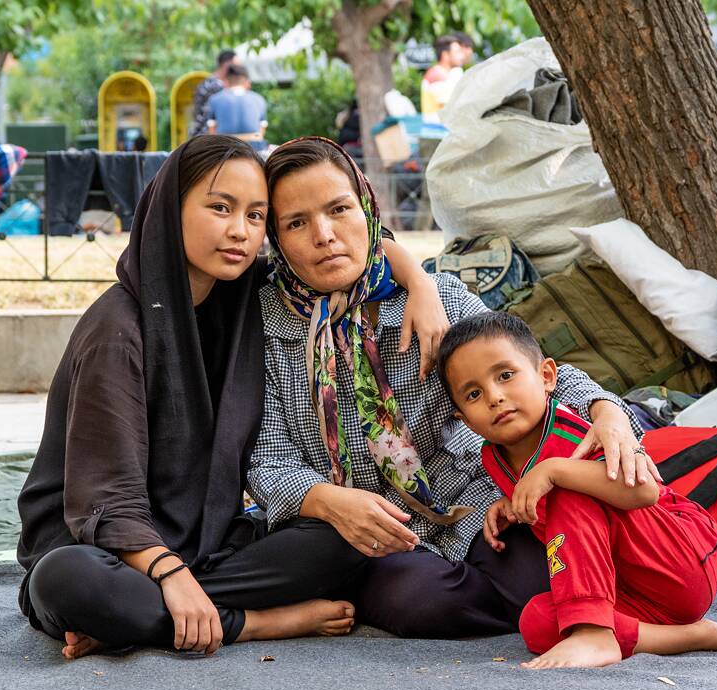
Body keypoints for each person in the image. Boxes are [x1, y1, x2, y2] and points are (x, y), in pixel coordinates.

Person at [16, 135, 447, 660]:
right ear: (169, 209)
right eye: (220, 208)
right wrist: (170, 575)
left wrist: (420, 284)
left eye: (256, 215)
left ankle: (141, 620)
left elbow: (349, 251)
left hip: (208, 544)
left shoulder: (239, 291)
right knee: (69, 583)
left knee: (342, 539)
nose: (239, 231)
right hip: (104, 548)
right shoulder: (118, 333)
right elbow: (106, 501)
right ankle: (252, 623)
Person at [248, 136, 659, 639]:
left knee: (536, 572)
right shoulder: (263, 325)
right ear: (276, 239)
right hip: (350, 527)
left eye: (339, 209)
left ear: (369, 211)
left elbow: (523, 369)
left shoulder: (435, 296)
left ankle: (544, 605)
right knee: (418, 600)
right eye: (296, 222)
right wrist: (328, 500)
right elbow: (267, 456)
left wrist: (607, 410)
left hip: (470, 502)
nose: (325, 235)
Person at [436, 311, 717, 668]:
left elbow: (644, 493)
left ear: (546, 377)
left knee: (568, 488)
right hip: (627, 590)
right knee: (537, 621)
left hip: (675, 558)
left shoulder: (576, 436)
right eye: (474, 393)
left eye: (506, 375)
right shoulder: (493, 456)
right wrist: (514, 503)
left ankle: (594, 632)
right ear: (465, 420)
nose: (494, 396)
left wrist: (555, 469)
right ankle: (697, 636)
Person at [421, 35, 469, 123]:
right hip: (437, 128)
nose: (461, 56)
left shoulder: (446, 73)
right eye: (457, 52)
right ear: (445, 55)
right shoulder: (437, 75)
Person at [190, 50, 239, 137]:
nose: (238, 70)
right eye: (236, 66)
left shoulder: (209, 82)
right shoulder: (216, 86)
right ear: (226, 65)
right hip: (207, 137)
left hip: (202, 135)